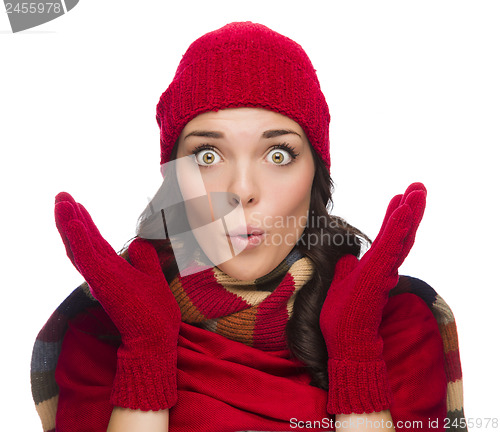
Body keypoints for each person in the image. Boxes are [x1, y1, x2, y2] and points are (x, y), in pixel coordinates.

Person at [30, 22, 467, 432]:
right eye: (207, 155)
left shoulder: (401, 324)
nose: (241, 189)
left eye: (278, 154)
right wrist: (145, 354)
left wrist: (356, 360)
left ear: (316, 173)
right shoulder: (100, 327)